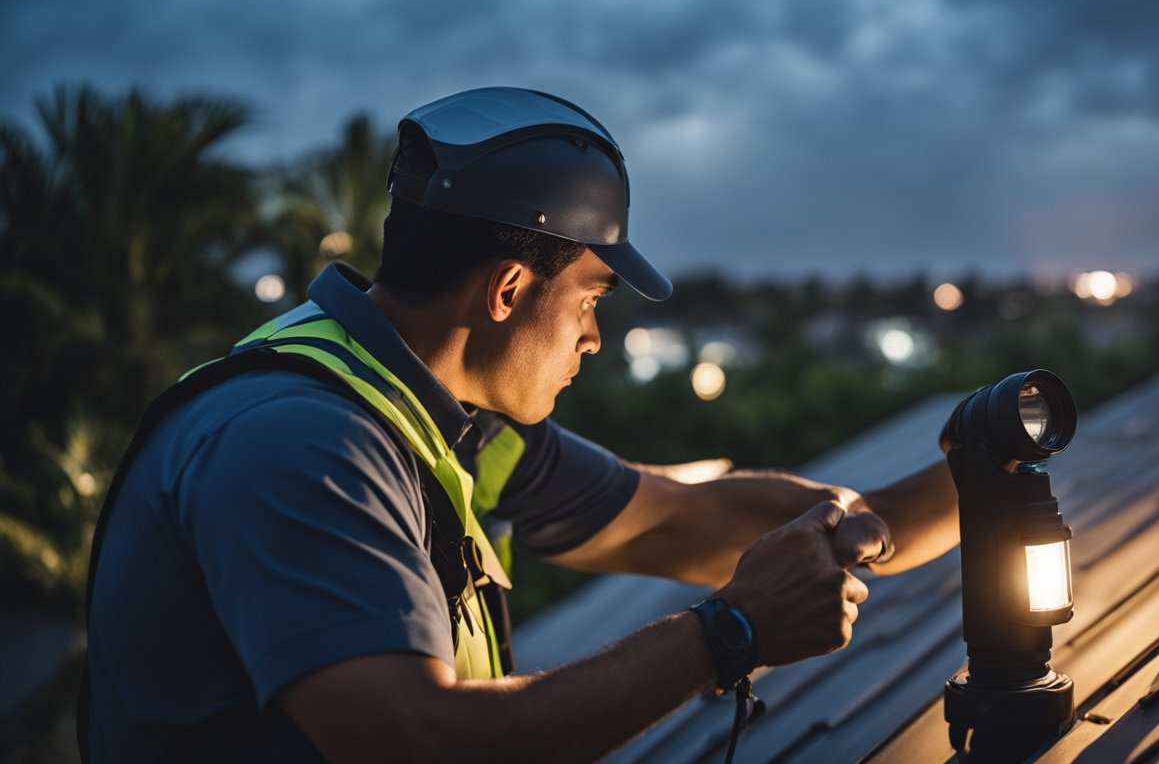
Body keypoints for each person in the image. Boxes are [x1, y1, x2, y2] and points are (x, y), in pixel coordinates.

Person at [81, 88, 959, 762]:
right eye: (588, 298)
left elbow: (690, 520)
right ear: (507, 290)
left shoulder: (443, 414)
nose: (593, 336)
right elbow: (412, 743)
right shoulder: (301, 443)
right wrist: (728, 633)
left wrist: (976, 477)